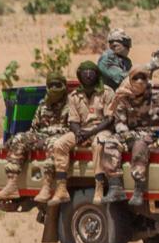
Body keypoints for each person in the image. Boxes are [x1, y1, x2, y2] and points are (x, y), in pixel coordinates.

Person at [43, 62, 114, 212]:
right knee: (59, 144)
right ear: (79, 75)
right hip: (82, 130)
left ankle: (99, 186)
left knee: (98, 143)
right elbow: (73, 120)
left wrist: (90, 132)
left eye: (91, 71)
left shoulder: (106, 92)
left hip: (102, 129)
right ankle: (61, 187)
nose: (88, 74)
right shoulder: (74, 96)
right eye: (84, 72)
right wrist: (78, 132)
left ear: (97, 74)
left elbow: (109, 119)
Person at [92, 66, 159, 207]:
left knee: (139, 146)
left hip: (152, 133)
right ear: (130, 80)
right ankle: (115, 187)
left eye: (143, 78)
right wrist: (127, 136)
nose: (139, 81)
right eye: (136, 78)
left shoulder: (157, 92)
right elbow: (119, 121)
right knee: (110, 142)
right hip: (129, 132)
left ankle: (138, 190)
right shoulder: (123, 96)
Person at [0, 72, 70, 207]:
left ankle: (47, 187)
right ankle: (12, 184)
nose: (54, 88)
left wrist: (48, 135)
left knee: (54, 143)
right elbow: (34, 127)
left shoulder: (70, 104)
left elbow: (72, 129)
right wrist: (32, 138)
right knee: (19, 138)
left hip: (60, 137)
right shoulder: (43, 104)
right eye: (51, 85)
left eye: (57, 85)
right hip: (42, 135)